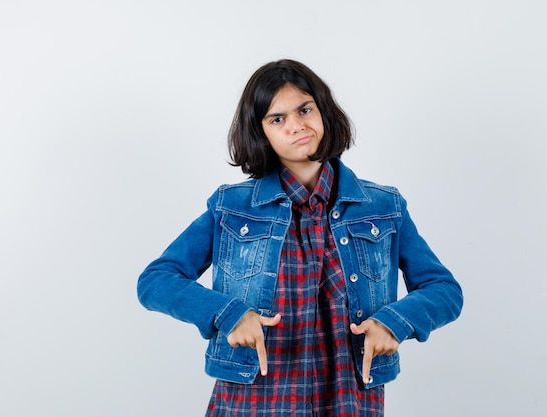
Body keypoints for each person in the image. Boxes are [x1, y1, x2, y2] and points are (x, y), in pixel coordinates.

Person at [137, 59, 463, 416]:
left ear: (323, 111)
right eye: (278, 119)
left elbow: (443, 290)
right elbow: (156, 281)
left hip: (348, 401)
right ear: (260, 132)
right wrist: (227, 313)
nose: (296, 126)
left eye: (304, 110)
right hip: (252, 403)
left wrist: (395, 322)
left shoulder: (384, 207)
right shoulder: (230, 208)